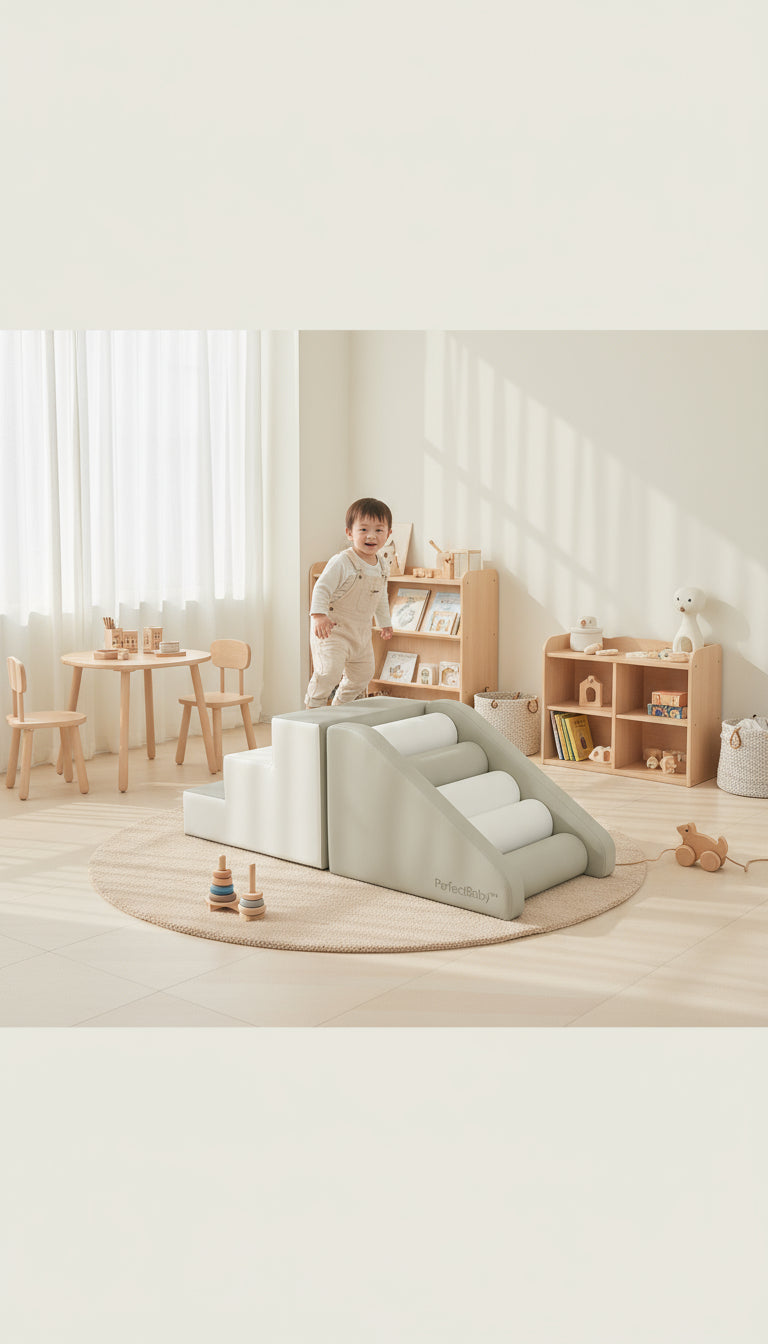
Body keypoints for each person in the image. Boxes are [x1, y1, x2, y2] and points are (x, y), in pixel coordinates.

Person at [305, 497, 394, 708]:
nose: (371, 535)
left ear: (388, 534)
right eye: (363, 529)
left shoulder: (382, 565)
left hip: (360, 633)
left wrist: (385, 622)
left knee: (363, 674)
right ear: (349, 533)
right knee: (328, 672)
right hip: (332, 630)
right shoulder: (343, 561)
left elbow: (381, 596)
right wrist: (318, 615)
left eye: (379, 530)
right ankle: (313, 709)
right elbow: (322, 587)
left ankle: (340, 707)